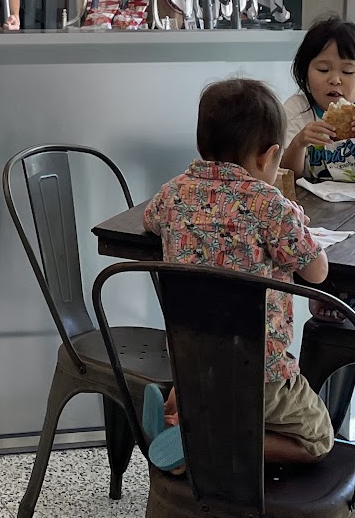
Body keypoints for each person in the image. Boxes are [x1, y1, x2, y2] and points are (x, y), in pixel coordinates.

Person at [140, 77, 333, 469]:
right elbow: (317, 273)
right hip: (259, 374)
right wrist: (295, 220)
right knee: (318, 440)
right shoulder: (271, 206)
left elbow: (150, 220)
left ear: (201, 146)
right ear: (270, 156)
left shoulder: (174, 192)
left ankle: (180, 414)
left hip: (193, 363)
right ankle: (205, 440)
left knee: (203, 385)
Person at [282, 17, 355, 188]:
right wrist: (299, 143)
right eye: (323, 70)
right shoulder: (296, 110)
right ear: (305, 74)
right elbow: (289, 174)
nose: (335, 80)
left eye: (347, 72)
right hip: (306, 201)